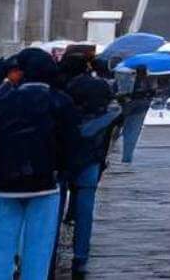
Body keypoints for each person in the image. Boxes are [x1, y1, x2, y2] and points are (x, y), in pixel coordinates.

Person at [0, 48, 78, 280]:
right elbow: (71, 141)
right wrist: (64, 170)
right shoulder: (59, 100)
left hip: (3, 183)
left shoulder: (0, 98)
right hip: (45, 183)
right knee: (39, 248)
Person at [57, 52, 118, 279]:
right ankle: (80, 257)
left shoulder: (59, 88)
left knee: (54, 207)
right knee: (85, 209)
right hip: (91, 154)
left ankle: (50, 251)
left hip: (61, 155)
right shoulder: (100, 87)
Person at [112, 60, 155, 167]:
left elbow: (115, 90)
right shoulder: (149, 79)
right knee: (132, 132)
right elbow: (152, 92)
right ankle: (127, 157)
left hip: (124, 105)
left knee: (115, 130)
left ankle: (110, 152)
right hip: (140, 106)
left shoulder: (122, 75)